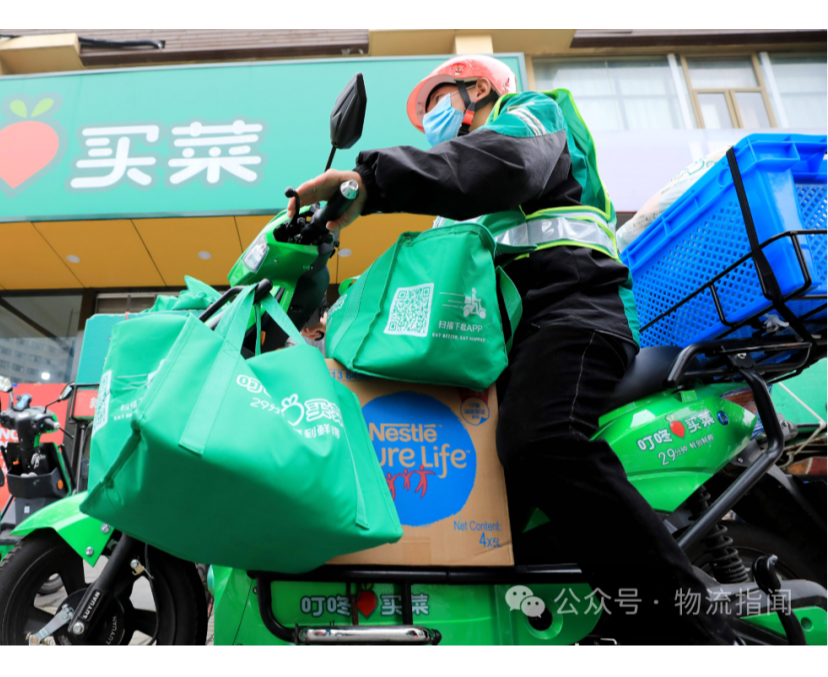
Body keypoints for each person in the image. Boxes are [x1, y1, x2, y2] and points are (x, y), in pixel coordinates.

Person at [288, 55, 736, 646]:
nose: (430, 120)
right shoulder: (457, 201)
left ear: (478, 89)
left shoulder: (529, 121)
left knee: (540, 442)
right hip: (511, 337)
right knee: (467, 491)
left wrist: (371, 181)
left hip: (572, 310)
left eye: (437, 102)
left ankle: (694, 635)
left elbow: (495, 164)